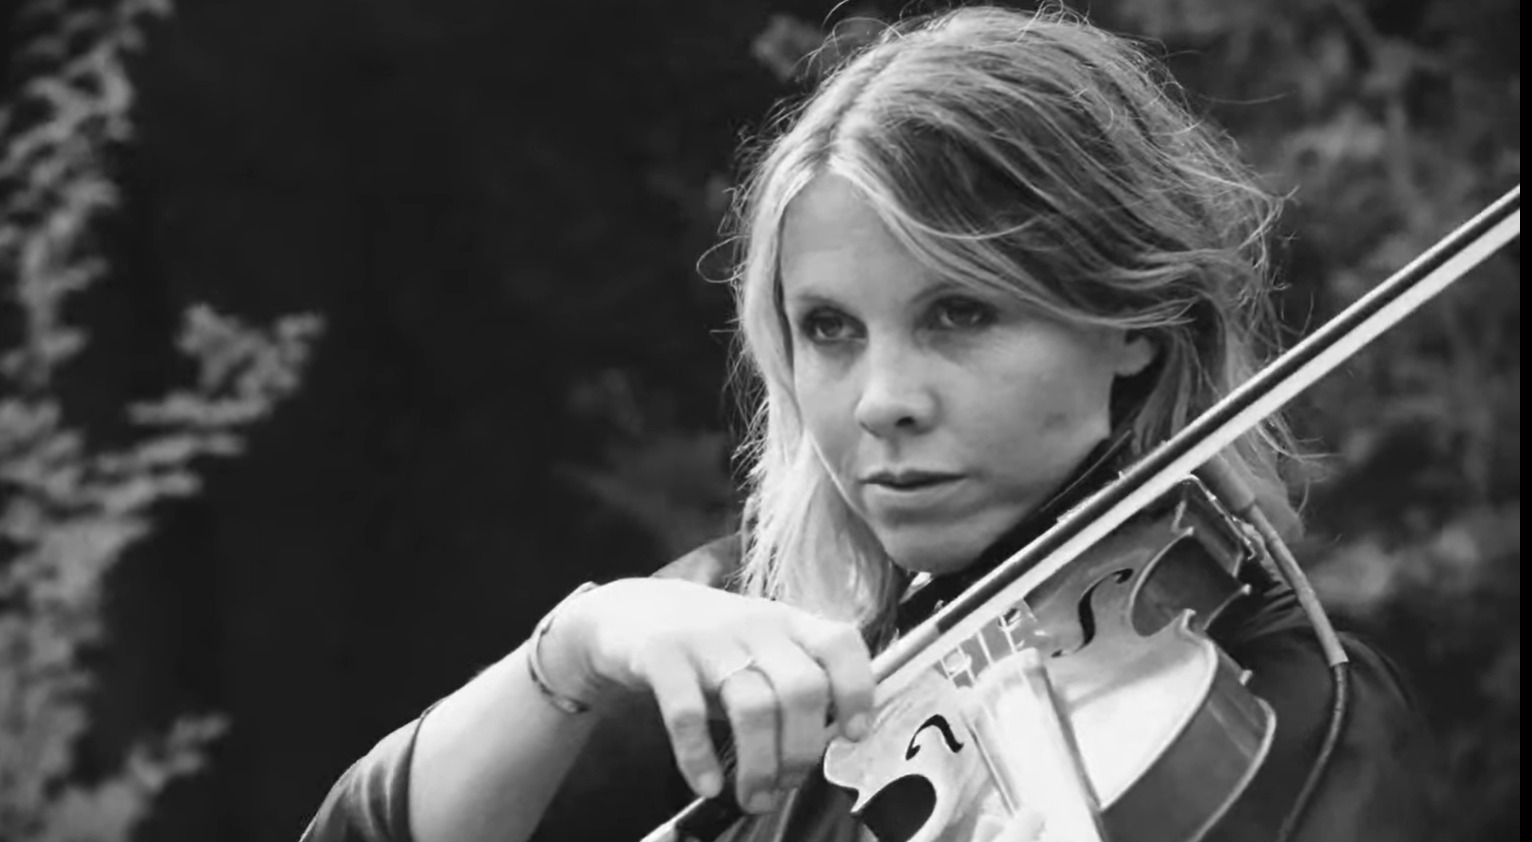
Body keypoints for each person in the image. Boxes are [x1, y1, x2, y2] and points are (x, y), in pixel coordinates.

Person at [301, 6, 1438, 842]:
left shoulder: (1292, 710)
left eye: (960, 313)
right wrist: (582, 645)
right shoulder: (746, 630)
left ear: (1132, 325)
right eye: (830, 329)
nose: (882, 398)